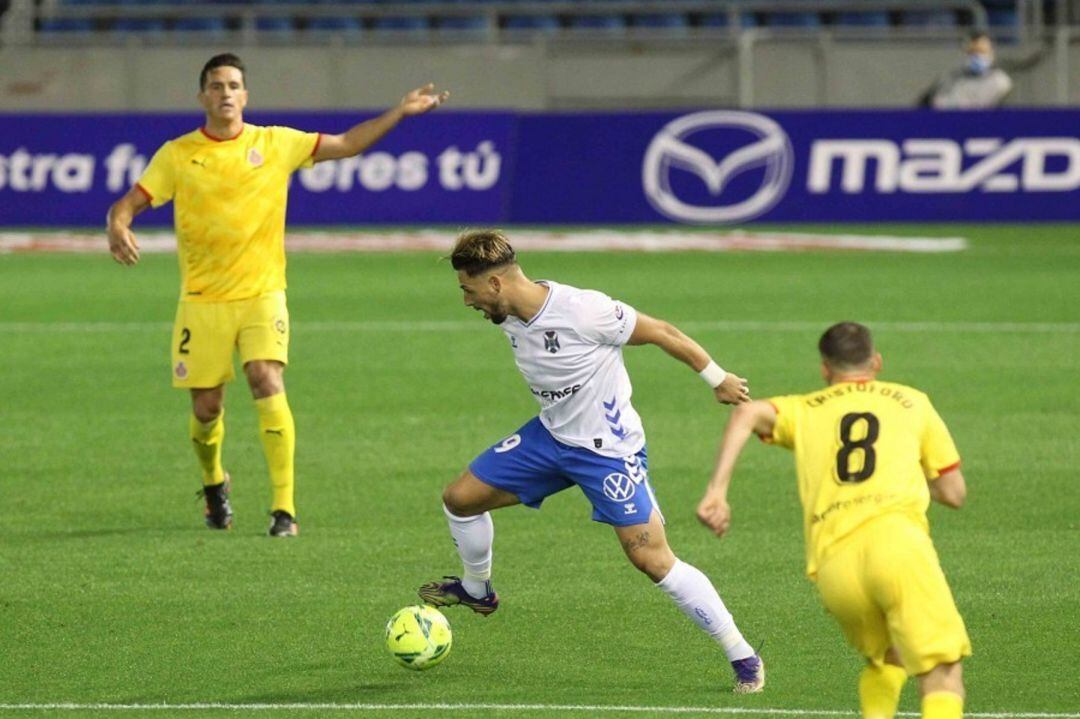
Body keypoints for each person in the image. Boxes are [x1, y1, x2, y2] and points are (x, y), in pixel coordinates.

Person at [106, 53, 448, 537]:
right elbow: (129, 203)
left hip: (262, 293)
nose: (226, 93)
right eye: (217, 85)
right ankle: (214, 482)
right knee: (206, 409)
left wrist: (400, 112)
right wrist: (117, 224)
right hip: (202, 300)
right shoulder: (178, 154)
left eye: (234, 85)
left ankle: (284, 509)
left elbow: (349, 143)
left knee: (265, 378)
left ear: (245, 95)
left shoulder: (276, 143)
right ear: (203, 96)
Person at [417, 229, 765, 693]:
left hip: (608, 453)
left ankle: (743, 656)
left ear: (496, 283)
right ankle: (477, 590)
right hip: (550, 437)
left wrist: (718, 379)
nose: (467, 301)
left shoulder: (583, 310)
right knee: (460, 499)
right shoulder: (509, 313)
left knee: (652, 560)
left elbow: (662, 332)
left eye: (469, 289)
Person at [696, 322, 970, 718]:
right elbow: (954, 493)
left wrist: (717, 491)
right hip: (897, 547)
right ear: (876, 362)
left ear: (825, 369)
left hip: (834, 567)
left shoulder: (807, 409)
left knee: (887, 658)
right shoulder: (912, 402)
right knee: (942, 673)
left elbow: (747, 413)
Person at [919, 30, 1012, 109]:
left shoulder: (1001, 82)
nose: (977, 56)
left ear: (992, 53)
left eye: (982, 51)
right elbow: (923, 107)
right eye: (972, 52)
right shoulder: (949, 78)